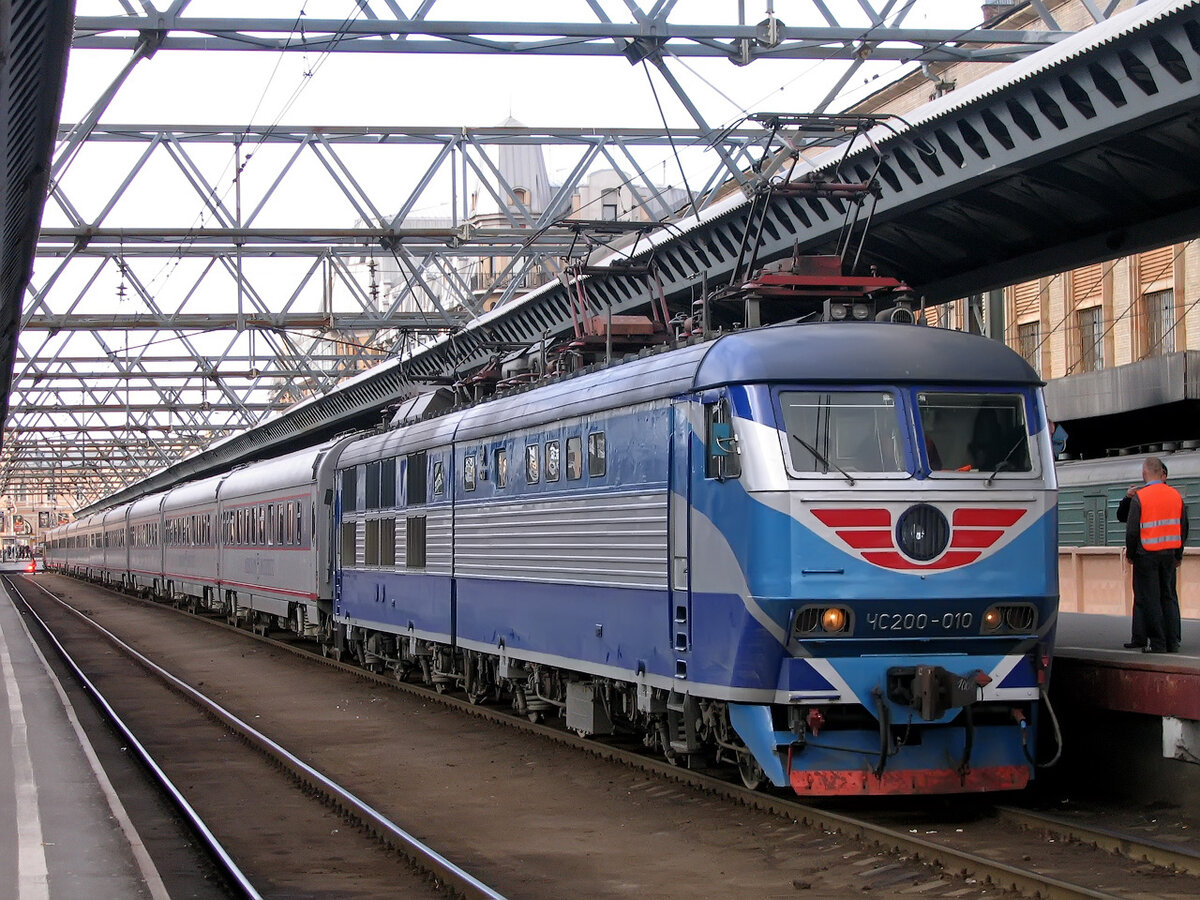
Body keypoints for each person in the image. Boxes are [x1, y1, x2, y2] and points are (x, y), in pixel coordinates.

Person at [1123, 457, 1187, 653]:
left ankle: (1158, 643)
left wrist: (1131, 554)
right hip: (1169, 555)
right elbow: (1183, 527)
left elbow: (1133, 531)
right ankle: (1172, 641)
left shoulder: (1140, 498)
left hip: (1147, 554)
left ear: (1144, 474)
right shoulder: (1176, 496)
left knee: (1151, 599)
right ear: (1162, 473)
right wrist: (1179, 554)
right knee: (1168, 597)